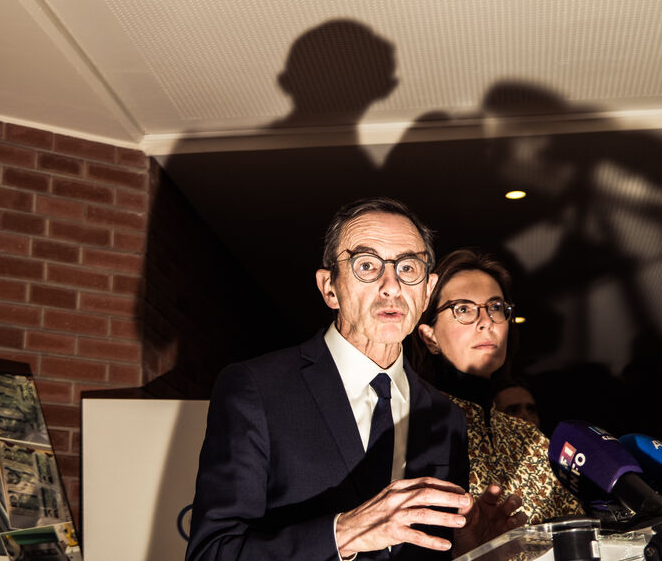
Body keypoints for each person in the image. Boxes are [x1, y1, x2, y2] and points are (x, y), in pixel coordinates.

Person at [187, 198, 525, 561]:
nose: (391, 286)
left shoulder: (445, 415)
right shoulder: (257, 388)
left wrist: (468, 550)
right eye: (367, 266)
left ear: (427, 291)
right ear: (329, 288)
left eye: (408, 268)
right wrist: (344, 533)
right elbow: (212, 552)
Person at [412, 250, 580, 524]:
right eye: (463, 309)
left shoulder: (532, 440)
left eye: (495, 308)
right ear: (429, 337)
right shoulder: (409, 429)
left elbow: (578, 530)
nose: (486, 322)